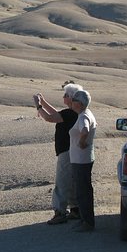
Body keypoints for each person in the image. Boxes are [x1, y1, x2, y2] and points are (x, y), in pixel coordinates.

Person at [34, 83, 83, 225]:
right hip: (73, 151)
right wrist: (43, 102)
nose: (63, 97)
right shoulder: (74, 112)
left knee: (62, 181)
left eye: (66, 95)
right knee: (72, 181)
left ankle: (60, 212)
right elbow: (56, 114)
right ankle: (75, 209)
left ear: (72, 98)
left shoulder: (70, 113)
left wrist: (38, 106)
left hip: (66, 152)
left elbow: (50, 118)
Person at [68, 89, 97, 232]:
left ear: (79, 103)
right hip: (84, 159)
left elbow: (84, 130)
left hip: (81, 160)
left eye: (73, 100)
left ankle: (87, 222)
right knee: (84, 190)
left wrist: (81, 142)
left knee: (82, 191)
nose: (71, 103)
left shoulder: (83, 117)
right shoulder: (86, 113)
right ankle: (85, 220)